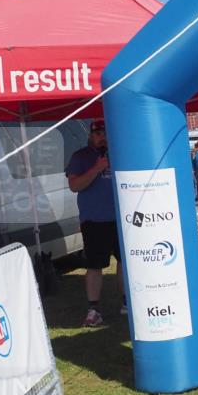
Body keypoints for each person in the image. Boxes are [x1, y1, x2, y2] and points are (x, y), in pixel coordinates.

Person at [66, 119, 125, 327]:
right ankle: (93, 309)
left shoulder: (119, 152)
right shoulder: (80, 157)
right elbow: (74, 186)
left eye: (105, 133)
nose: (102, 137)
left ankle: (126, 303)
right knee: (94, 265)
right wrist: (97, 168)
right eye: (98, 133)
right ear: (91, 135)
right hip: (94, 219)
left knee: (125, 262)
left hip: (121, 218)